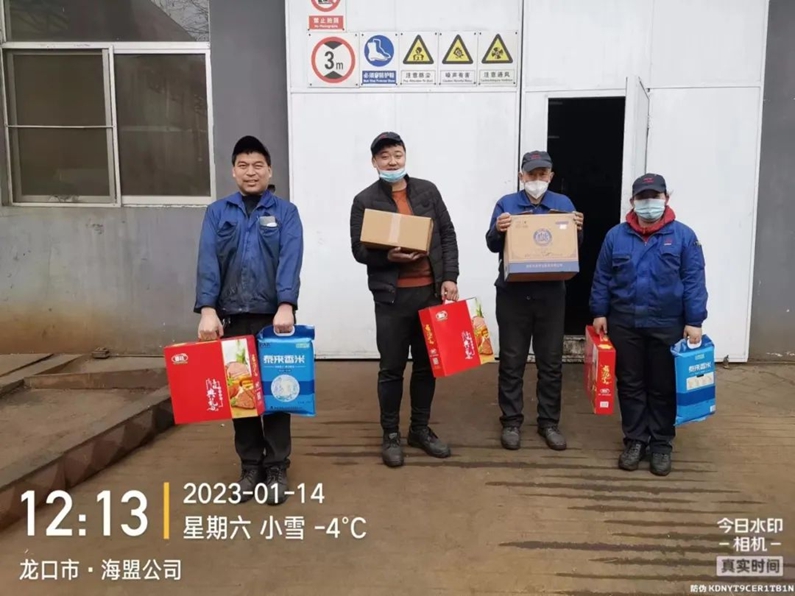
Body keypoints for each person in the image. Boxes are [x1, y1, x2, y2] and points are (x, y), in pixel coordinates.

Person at [194, 135, 304, 503]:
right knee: (240, 395)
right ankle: (250, 466)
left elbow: (290, 258)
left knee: (278, 394)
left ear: (269, 171)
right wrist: (208, 309)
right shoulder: (218, 212)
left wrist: (286, 304)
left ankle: (276, 467)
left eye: (258, 165)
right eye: (243, 165)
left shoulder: (285, 212)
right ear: (233, 171)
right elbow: (208, 260)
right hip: (232, 317)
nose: (251, 172)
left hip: (274, 320)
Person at [349, 132, 460, 468]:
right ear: (374, 162)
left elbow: (447, 234)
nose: (392, 161)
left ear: (405, 156)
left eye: (397, 154)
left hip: (429, 293)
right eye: (384, 156)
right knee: (391, 368)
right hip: (392, 298)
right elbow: (359, 250)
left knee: (427, 366)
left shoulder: (427, 191)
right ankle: (391, 435)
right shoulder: (364, 200)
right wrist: (388, 257)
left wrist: (450, 277)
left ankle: (419, 429)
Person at [589, 173, 707, 476]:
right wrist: (599, 312)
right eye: (643, 197)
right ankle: (635, 440)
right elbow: (602, 277)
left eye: (655, 196)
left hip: (667, 323)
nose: (649, 202)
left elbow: (694, 280)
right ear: (632, 201)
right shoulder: (615, 236)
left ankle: (661, 444)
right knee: (630, 384)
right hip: (625, 322)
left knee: (663, 386)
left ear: (666, 198)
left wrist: (694, 320)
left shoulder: (684, 236)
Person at [485, 150, 584, 452]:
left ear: (551, 176)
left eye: (543, 174)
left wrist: (578, 229)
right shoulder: (506, 204)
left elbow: (573, 248)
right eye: (532, 174)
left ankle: (549, 423)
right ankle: (511, 422)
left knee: (551, 362)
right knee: (512, 361)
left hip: (551, 295)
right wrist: (498, 229)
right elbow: (491, 244)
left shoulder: (564, 205)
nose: (537, 179)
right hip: (513, 295)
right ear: (521, 176)